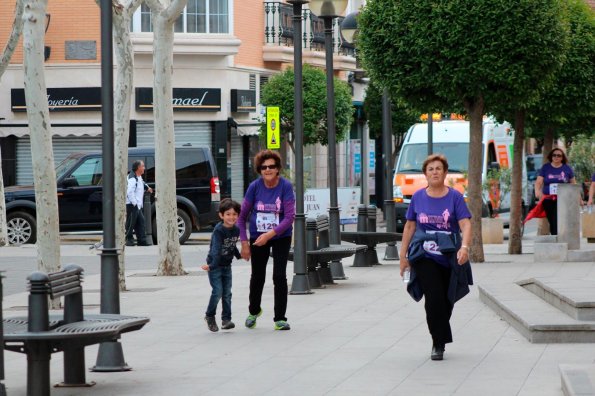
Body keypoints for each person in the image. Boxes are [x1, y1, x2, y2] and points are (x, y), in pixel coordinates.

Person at [399, 154, 472, 361]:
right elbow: (410, 226)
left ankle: (439, 335)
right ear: (425, 174)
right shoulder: (418, 197)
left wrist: (464, 247)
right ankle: (437, 343)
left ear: (445, 172)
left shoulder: (455, 197)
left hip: (449, 254)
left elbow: (465, 224)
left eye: (438, 169)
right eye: (430, 169)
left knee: (447, 299)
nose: (434, 172)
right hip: (424, 255)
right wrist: (403, 256)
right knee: (434, 298)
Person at [238, 150, 295, 331]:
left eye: (271, 166)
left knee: (279, 276)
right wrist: (245, 243)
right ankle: (254, 311)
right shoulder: (254, 187)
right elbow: (241, 217)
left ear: (278, 169)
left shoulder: (285, 187)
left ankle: (280, 318)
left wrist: (270, 235)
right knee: (257, 276)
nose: (268, 170)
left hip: (280, 236)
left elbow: (289, 217)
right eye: (264, 167)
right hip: (257, 234)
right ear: (259, 170)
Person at [201, 198, 242, 332]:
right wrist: (211, 266)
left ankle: (226, 320)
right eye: (228, 214)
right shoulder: (219, 230)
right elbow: (216, 250)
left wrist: (239, 255)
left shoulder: (236, 230)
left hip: (227, 266)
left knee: (227, 293)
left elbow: (232, 244)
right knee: (218, 292)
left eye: (234, 214)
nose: (231, 217)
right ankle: (209, 316)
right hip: (215, 266)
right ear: (221, 215)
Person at [534, 148, 576, 235]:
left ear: (562, 158)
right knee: (551, 219)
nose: (556, 157)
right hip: (548, 198)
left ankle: (557, 236)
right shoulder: (546, 167)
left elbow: (573, 184)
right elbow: (539, 182)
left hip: (563, 198)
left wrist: (578, 198)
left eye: (559, 155)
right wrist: (537, 191)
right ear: (551, 157)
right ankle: (555, 235)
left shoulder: (567, 168)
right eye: (554, 155)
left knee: (558, 217)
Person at [125, 160, 153, 246]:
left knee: (140, 222)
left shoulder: (138, 177)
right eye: (143, 166)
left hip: (137, 205)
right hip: (132, 205)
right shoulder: (132, 178)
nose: (144, 168)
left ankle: (142, 241)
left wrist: (147, 187)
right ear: (138, 168)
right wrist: (134, 203)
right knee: (131, 223)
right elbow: (129, 192)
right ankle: (129, 240)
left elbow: (142, 183)